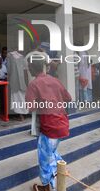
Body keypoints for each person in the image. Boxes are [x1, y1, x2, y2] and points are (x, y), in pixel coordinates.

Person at [25, 51, 71, 191]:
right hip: (63, 124)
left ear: (33, 68)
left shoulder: (34, 84)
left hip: (49, 126)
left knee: (44, 159)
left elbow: (30, 108)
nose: (28, 69)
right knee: (52, 153)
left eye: (29, 66)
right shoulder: (55, 80)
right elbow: (68, 98)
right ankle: (60, 174)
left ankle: (48, 187)